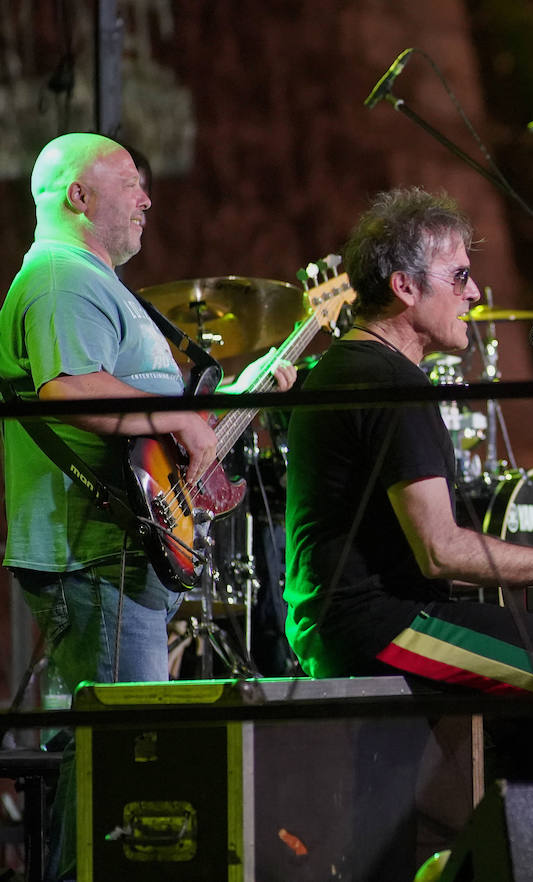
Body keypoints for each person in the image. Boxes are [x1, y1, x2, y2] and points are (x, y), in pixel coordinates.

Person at [283, 187, 533, 782]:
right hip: (379, 626)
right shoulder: (391, 384)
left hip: (343, 621)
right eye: (459, 275)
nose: (474, 292)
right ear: (404, 287)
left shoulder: (343, 368)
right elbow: (440, 551)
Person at [0, 132, 292, 881]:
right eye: (130, 181)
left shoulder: (98, 287)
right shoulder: (63, 278)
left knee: (108, 761)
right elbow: (68, 389)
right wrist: (182, 420)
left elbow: (159, 439)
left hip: (119, 553)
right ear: (77, 196)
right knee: (119, 763)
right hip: (94, 552)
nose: (147, 198)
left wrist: (229, 401)